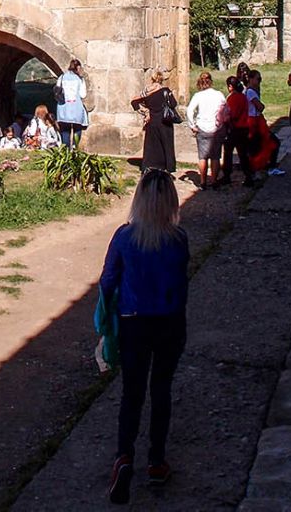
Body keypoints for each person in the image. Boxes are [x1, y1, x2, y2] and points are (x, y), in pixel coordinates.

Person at [100, 168, 189, 503]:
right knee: (161, 391)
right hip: (169, 323)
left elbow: (108, 280)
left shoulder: (125, 236)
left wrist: (108, 312)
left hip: (133, 321)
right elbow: (182, 281)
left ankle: (124, 457)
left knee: (131, 394)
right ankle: (156, 461)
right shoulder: (179, 239)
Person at [185, 71, 225, 191]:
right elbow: (225, 109)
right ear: (211, 81)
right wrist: (222, 123)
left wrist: (192, 125)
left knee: (202, 157)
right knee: (215, 156)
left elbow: (189, 111)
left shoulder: (198, 96)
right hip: (216, 128)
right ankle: (214, 180)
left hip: (202, 127)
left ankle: (203, 181)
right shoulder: (219, 94)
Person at [131, 70, 176, 173]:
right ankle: (166, 167)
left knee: (151, 145)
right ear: (161, 79)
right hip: (165, 121)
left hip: (152, 120)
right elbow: (173, 104)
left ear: (152, 78)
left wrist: (145, 112)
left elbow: (134, 101)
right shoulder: (166, 91)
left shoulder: (148, 90)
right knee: (166, 144)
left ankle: (150, 166)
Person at [218, 77, 253, 187]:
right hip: (244, 128)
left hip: (234, 129)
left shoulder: (232, 98)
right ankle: (248, 176)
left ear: (230, 86)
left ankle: (227, 175)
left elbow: (231, 114)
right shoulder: (243, 97)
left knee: (228, 153)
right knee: (243, 154)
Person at [246, 70, 283, 175]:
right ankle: (268, 166)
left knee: (259, 146)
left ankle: (260, 167)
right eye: (258, 79)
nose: (259, 81)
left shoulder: (249, 91)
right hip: (255, 122)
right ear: (251, 79)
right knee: (271, 142)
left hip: (255, 121)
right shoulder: (250, 92)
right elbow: (260, 107)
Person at [55, 58, 89, 148]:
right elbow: (83, 95)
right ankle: (74, 146)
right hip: (76, 108)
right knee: (77, 128)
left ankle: (65, 149)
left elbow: (57, 90)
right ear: (78, 67)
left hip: (63, 108)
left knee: (65, 130)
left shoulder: (62, 77)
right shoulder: (80, 79)